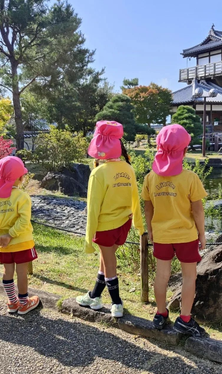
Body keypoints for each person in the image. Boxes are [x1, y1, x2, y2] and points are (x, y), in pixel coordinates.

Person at [142, 124, 208, 336]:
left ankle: (160, 314)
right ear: (185, 150)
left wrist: (151, 230)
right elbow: (198, 211)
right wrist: (202, 234)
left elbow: (148, 207)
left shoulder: (150, 178)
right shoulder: (190, 178)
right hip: (186, 235)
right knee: (189, 276)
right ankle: (185, 319)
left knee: (162, 275)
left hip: (161, 235)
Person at [76, 121, 144, 317]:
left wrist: (89, 237)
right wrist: (138, 224)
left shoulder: (99, 173)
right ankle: (94, 296)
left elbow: (93, 207)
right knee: (105, 260)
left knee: (109, 262)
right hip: (124, 223)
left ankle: (117, 302)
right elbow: (135, 198)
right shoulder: (128, 168)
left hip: (105, 226)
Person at [0, 156, 40, 315]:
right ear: (21, 177)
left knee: (7, 271)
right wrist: (11, 234)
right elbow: (24, 220)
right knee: (22, 272)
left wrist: (0, 236)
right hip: (22, 241)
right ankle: (24, 302)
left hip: (4, 243)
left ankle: (12, 302)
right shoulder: (22, 196)